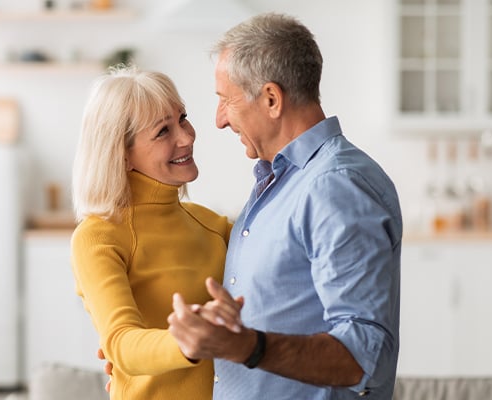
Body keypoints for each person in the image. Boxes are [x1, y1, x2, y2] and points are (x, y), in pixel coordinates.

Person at [167, 12, 403, 399]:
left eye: (226, 100)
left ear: (272, 99)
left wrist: (245, 346)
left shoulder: (334, 187)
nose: (219, 120)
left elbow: (363, 356)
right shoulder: (282, 183)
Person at [70, 66, 233, 399]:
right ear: (122, 154)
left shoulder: (214, 226)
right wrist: (193, 337)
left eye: (182, 118)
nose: (186, 137)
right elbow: (122, 343)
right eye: (163, 131)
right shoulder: (99, 237)